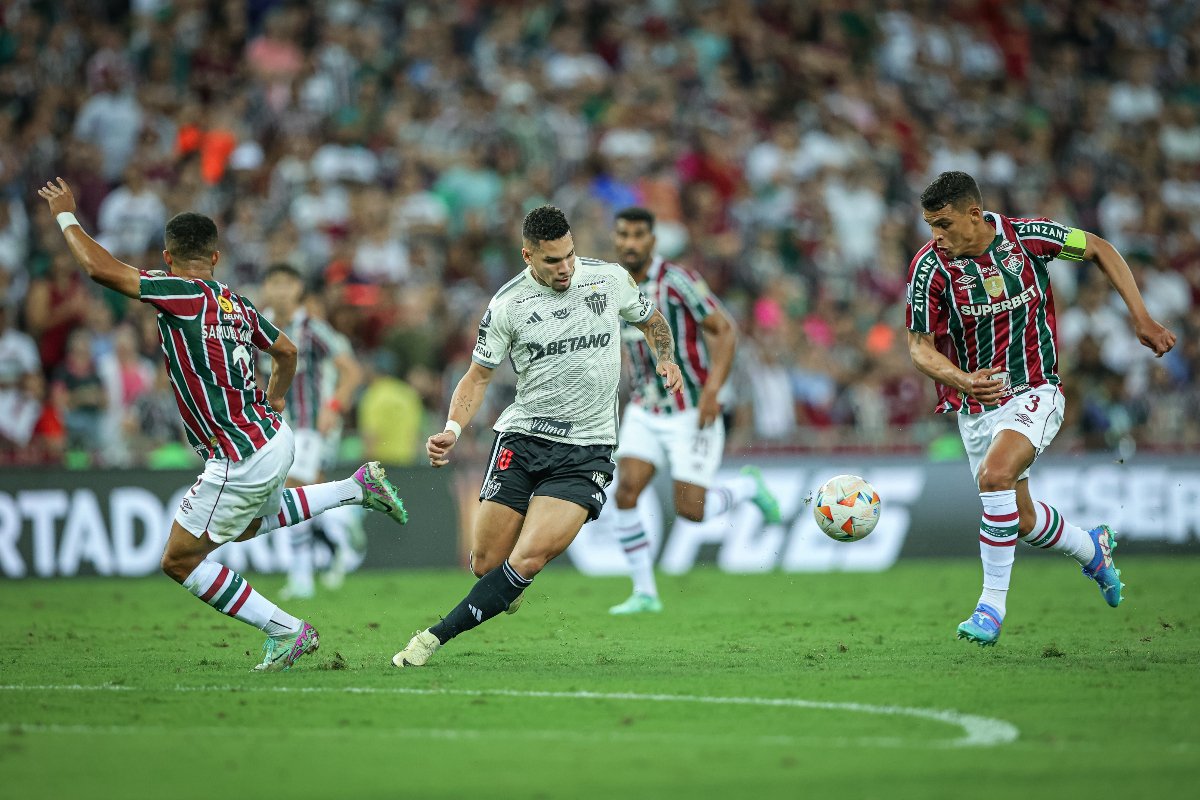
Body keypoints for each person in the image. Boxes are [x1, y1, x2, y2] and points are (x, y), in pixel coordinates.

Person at [36, 177, 410, 671]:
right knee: (249, 524)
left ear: (168, 259)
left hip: (239, 453)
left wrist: (66, 214)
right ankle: (355, 488)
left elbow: (99, 268)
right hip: (274, 437)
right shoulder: (235, 301)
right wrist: (275, 397)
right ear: (215, 258)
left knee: (179, 559)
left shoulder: (182, 294)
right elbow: (287, 351)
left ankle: (287, 630)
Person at [392, 205, 683, 667]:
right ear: (528, 255)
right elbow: (477, 377)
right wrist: (451, 428)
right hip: (522, 440)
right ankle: (502, 589)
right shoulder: (508, 304)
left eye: (569, 255)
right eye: (551, 261)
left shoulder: (609, 280)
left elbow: (653, 322)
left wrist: (666, 358)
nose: (565, 267)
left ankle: (431, 638)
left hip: (586, 451)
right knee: (486, 565)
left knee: (526, 561)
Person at [905, 171, 1177, 646]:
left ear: (974, 214)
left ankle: (990, 608)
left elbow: (1099, 249)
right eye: (930, 225)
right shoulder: (929, 267)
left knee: (995, 479)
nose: (937, 236)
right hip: (976, 406)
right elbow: (919, 348)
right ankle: (1092, 549)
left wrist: (1141, 316)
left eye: (944, 224)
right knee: (1022, 520)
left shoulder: (1028, 238)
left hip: (1036, 389)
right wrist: (964, 380)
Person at [604, 207, 781, 615]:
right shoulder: (611, 285)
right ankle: (644, 592)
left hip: (691, 407)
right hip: (646, 407)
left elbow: (725, 330)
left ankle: (748, 488)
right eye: (623, 235)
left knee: (691, 510)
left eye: (638, 236)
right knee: (625, 491)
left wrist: (713, 390)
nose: (629, 243)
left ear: (652, 241)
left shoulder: (676, 280)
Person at [260, 263, 368, 600]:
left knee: (293, 491)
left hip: (311, 426)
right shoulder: (257, 326)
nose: (279, 290)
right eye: (273, 282)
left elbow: (351, 371)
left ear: (297, 289)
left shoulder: (311, 329)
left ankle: (302, 577)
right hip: (278, 427)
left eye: (285, 283)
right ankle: (346, 523)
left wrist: (333, 408)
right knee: (309, 498)